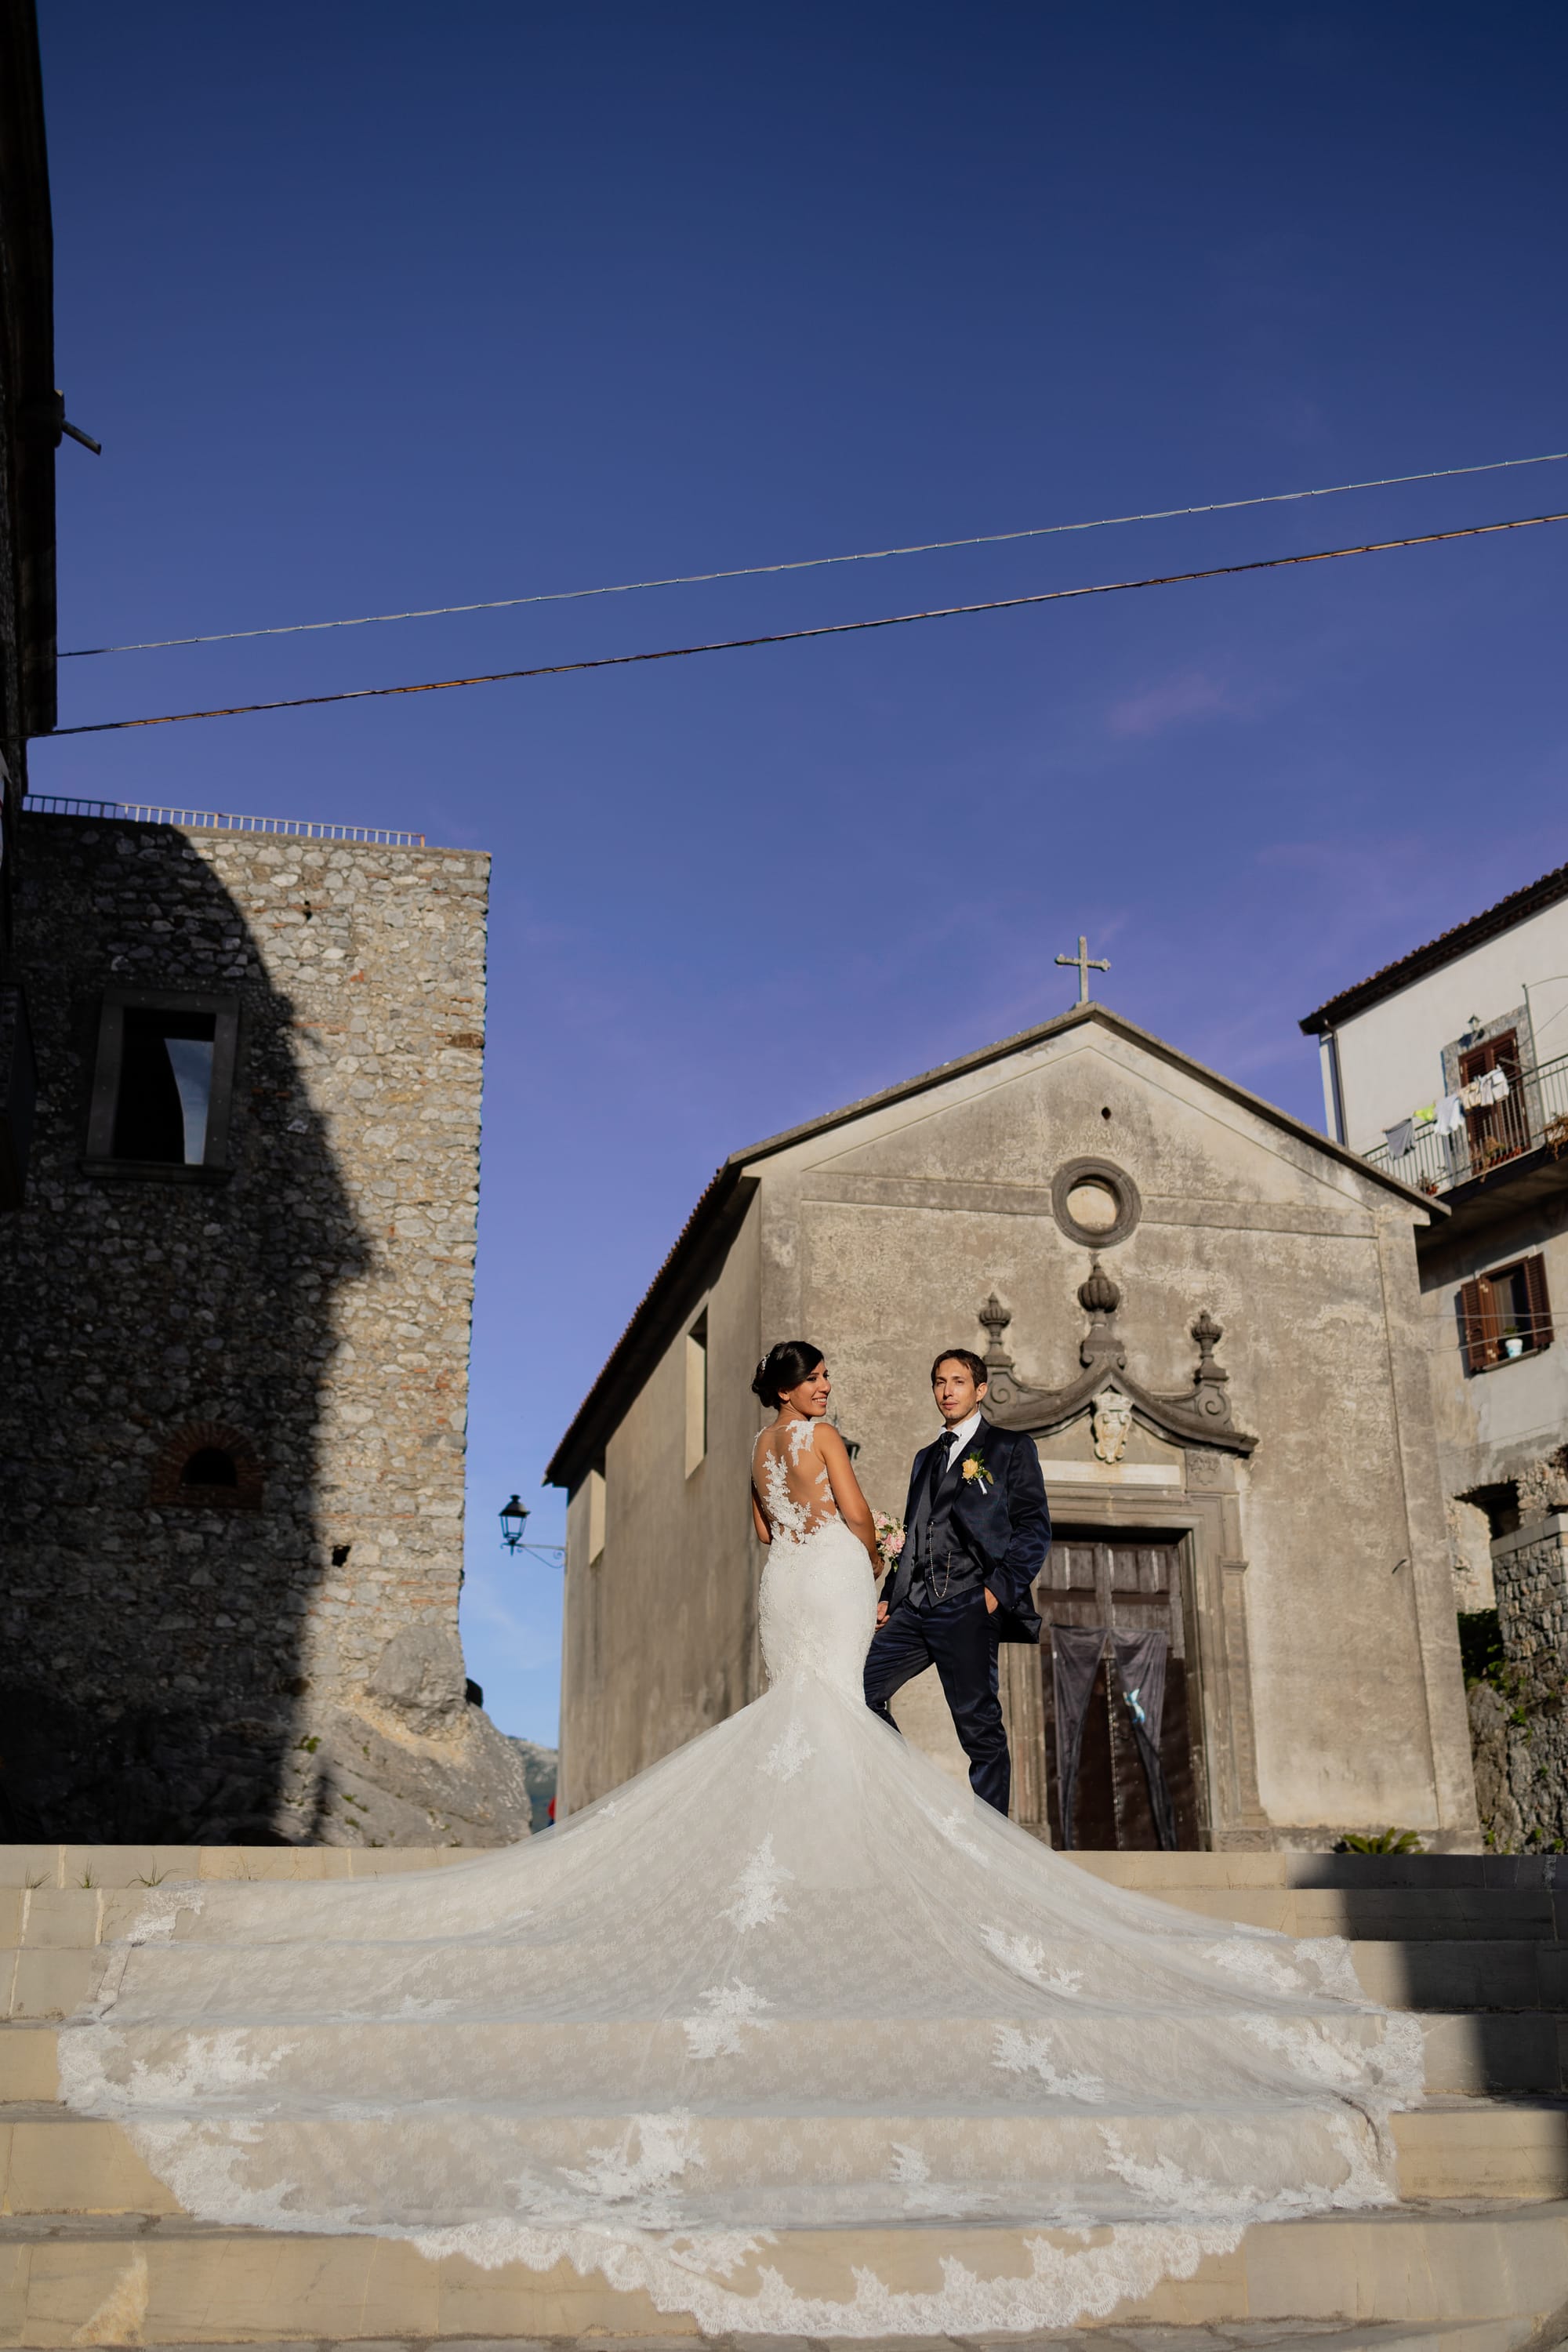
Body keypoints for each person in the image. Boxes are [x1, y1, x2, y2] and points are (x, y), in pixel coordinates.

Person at [55, 1337, 1423, 2341]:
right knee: (838, 1718)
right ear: (797, 1389)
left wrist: (898, 1562)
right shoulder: (828, 1442)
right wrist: (879, 1554)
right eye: (821, 1378)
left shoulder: (772, 1456)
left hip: (787, 1581)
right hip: (836, 1580)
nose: (833, 1390)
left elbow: (772, 1518)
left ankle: (837, 1848)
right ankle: (870, 1855)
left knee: (814, 1720)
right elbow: (864, 1520)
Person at [864, 1346, 1047, 1813]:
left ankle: (992, 1837)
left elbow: (1033, 1529)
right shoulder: (925, 1458)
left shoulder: (1009, 1448)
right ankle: (915, 1796)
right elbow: (915, 1532)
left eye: (958, 1382)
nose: (947, 1391)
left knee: (978, 1728)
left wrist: (995, 1593)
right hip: (914, 1607)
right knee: (859, 1690)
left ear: (980, 1390)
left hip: (969, 1602)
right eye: (940, 1382)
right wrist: (890, 1597)